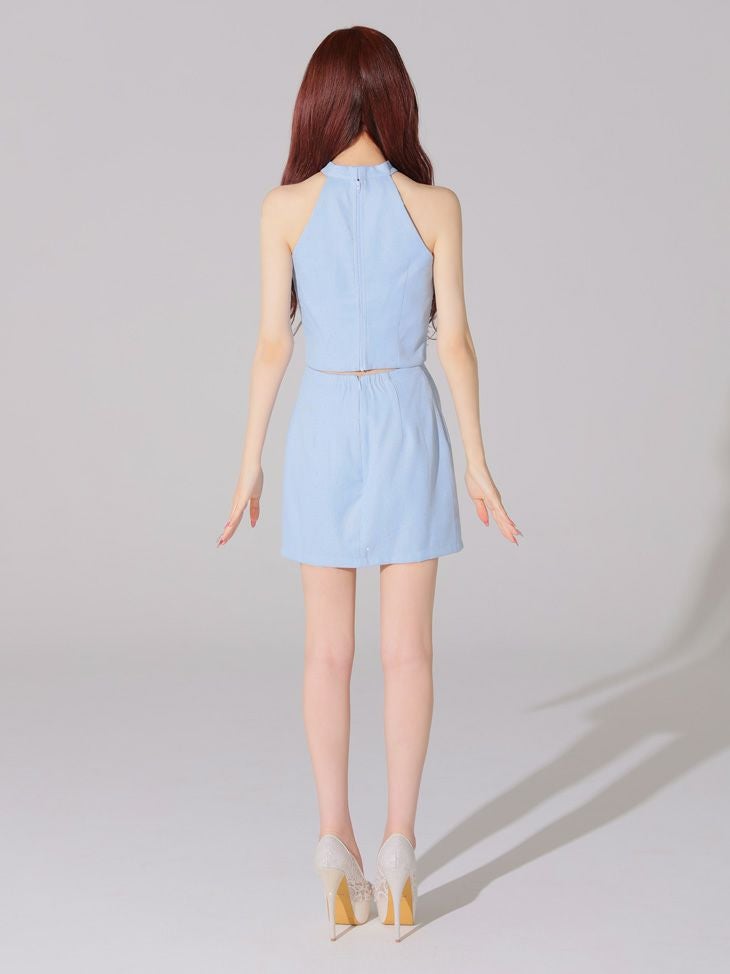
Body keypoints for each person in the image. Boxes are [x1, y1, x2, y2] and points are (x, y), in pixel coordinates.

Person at [217, 25, 521, 942]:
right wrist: (477, 460)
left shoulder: (284, 208)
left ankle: (333, 838)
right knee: (408, 655)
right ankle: (397, 843)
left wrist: (249, 461)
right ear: (394, 99)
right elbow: (455, 341)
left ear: (316, 102)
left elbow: (272, 343)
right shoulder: (435, 206)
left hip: (322, 422)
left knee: (326, 654)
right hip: (406, 420)